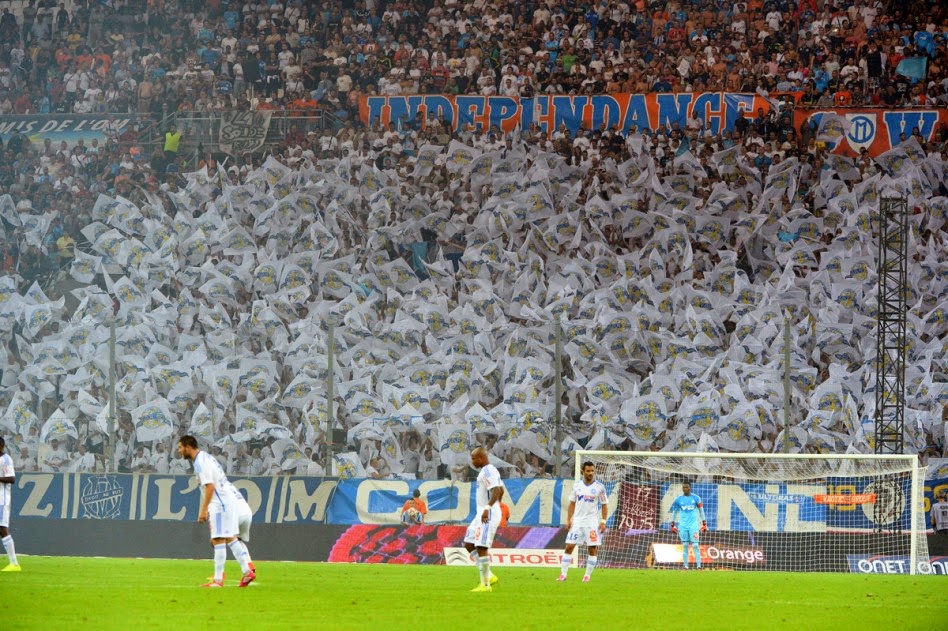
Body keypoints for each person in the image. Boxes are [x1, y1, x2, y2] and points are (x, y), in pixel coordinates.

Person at [177, 435, 255, 587]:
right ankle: (247, 572)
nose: (179, 451)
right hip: (228, 500)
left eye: (180, 447)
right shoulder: (205, 457)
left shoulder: (200, 462)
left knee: (218, 539)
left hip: (220, 503)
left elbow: (210, 486)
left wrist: (203, 510)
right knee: (231, 538)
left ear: (188, 447)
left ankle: (218, 581)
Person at [557, 461, 608, 582]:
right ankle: (563, 575)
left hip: (592, 523)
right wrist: (569, 520)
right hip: (577, 522)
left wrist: (603, 521)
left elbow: (604, 505)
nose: (591, 473)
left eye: (592, 471)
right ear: (582, 472)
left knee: (592, 549)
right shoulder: (577, 486)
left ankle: (587, 576)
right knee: (569, 547)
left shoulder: (600, 487)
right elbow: (572, 503)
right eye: (588, 471)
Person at [463, 447, 503, 592]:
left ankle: (485, 585)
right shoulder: (486, 472)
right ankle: (489, 575)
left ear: (481, 458)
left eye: (474, 458)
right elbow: (501, 490)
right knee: (469, 543)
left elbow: (496, 490)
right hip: (481, 513)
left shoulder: (488, 470)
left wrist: (489, 507)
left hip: (487, 513)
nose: (472, 461)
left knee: (481, 547)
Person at [669, 482, 707, 570]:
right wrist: (672, 523)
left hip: (693, 525)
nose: (685, 489)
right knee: (685, 545)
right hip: (683, 526)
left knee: (695, 545)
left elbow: (701, 511)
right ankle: (685, 566)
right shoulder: (678, 499)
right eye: (684, 487)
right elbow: (675, 512)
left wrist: (704, 522)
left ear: (690, 488)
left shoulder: (696, 498)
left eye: (686, 487)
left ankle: (699, 566)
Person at [0, 437, 20, 571]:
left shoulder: (6, 459)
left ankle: (14, 563)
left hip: (2, 500)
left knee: (2, 529)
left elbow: (12, 478)